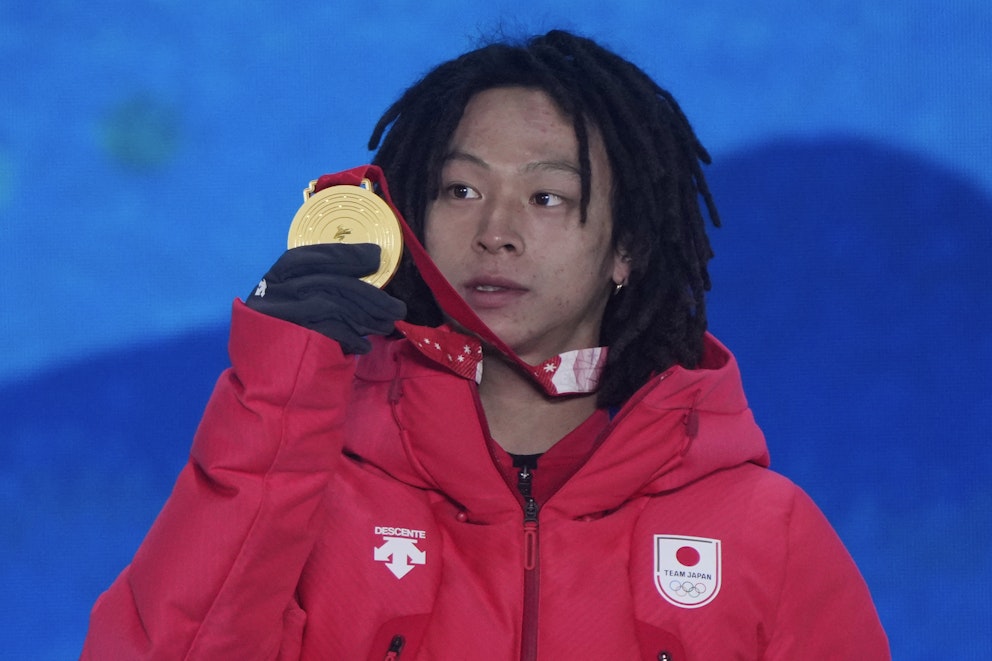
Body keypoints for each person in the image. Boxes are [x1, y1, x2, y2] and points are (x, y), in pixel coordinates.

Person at [81, 30, 890, 660]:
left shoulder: (766, 534)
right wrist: (279, 395)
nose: (495, 231)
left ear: (628, 248)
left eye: (547, 196)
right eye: (461, 188)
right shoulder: (312, 487)